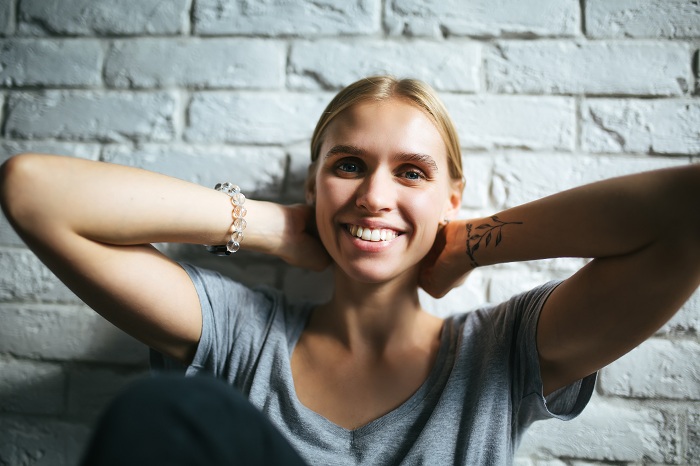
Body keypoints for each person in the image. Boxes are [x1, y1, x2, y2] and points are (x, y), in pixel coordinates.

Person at [1, 76, 698, 465]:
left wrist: (466, 244)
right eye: (349, 166)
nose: (374, 195)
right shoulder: (246, 336)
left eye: (412, 173)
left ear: (452, 198)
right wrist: (275, 227)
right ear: (315, 185)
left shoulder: (498, 354)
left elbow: (687, 213)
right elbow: (32, 191)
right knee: (161, 414)